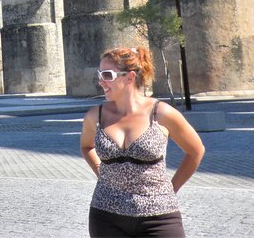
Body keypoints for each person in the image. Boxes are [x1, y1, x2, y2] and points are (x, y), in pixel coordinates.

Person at [80, 46, 205, 237]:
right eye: (100, 74)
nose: (100, 81)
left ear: (129, 77)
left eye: (106, 75)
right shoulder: (95, 116)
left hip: (159, 217)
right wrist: (101, 172)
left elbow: (196, 151)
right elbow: (86, 146)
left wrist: (172, 188)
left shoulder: (161, 113)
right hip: (105, 216)